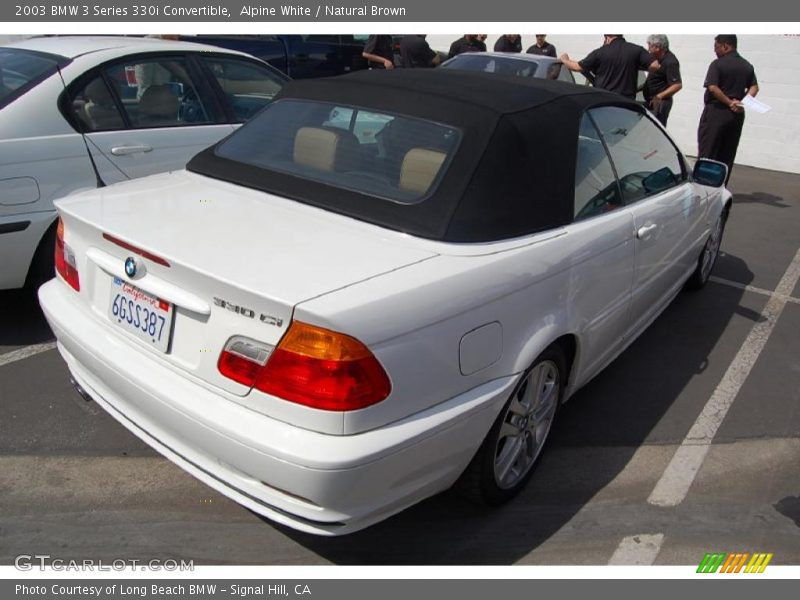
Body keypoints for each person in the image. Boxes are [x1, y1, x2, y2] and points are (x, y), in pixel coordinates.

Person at [698, 35, 759, 185]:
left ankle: (703, 185)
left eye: (716, 47)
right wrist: (741, 103)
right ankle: (721, 187)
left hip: (717, 113)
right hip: (736, 116)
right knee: (727, 154)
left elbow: (712, 87)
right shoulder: (747, 65)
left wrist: (728, 102)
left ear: (725, 46)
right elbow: (755, 87)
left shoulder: (717, 64)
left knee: (708, 152)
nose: (715, 51)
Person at [560, 34, 656, 99]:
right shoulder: (636, 50)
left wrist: (565, 60)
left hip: (604, 101)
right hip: (627, 103)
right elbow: (655, 66)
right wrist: (635, 66)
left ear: (607, 37)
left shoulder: (600, 52)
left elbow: (578, 67)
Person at [642, 34, 682, 126]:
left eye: (650, 46)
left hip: (660, 103)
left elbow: (677, 85)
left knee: (655, 129)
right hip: (650, 100)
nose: (648, 49)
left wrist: (659, 96)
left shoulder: (671, 62)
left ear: (657, 47)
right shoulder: (656, 59)